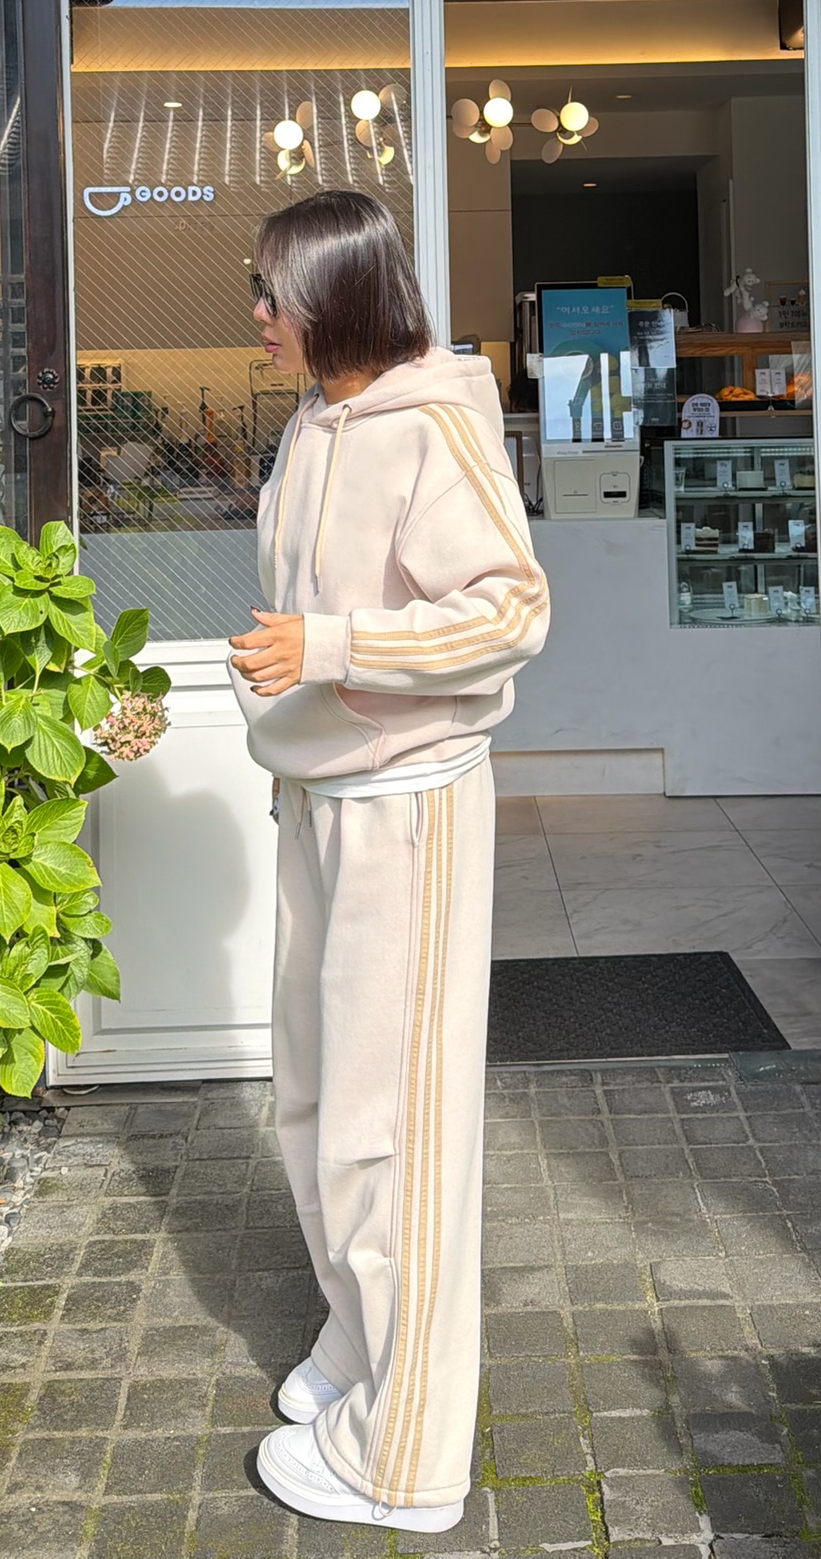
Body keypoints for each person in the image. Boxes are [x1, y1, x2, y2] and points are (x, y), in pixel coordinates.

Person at [228, 187, 550, 1534]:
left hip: (406, 811)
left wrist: (334, 648)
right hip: (322, 796)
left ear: (335, 300)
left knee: (391, 1132)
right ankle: (363, 1345)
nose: (256, 315)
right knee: (312, 1104)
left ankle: (406, 1458)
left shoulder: (431, 422)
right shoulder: (318, 417)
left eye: (273, 295)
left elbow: (514, 611)